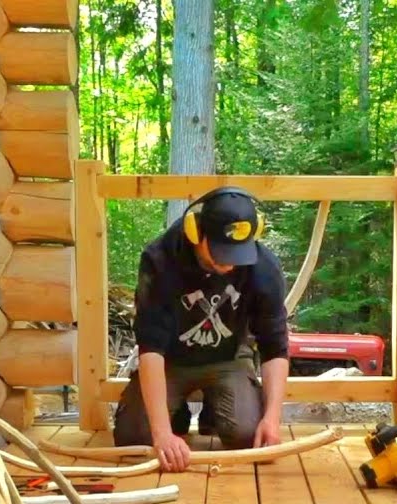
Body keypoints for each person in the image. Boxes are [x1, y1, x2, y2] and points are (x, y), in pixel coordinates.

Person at [113, 186, 289, 472]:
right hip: (170, 360)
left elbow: (275, 347)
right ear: (195, 232)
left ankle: (216, 411)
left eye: (237, 253)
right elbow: (150, 347)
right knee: (135, 438)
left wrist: (272, 419)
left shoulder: (264, 267)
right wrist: (162, 434)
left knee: (249, 437)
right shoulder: (160, 259)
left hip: (229, 358)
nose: (230, 262)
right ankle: (176, 415)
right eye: (221, 251)